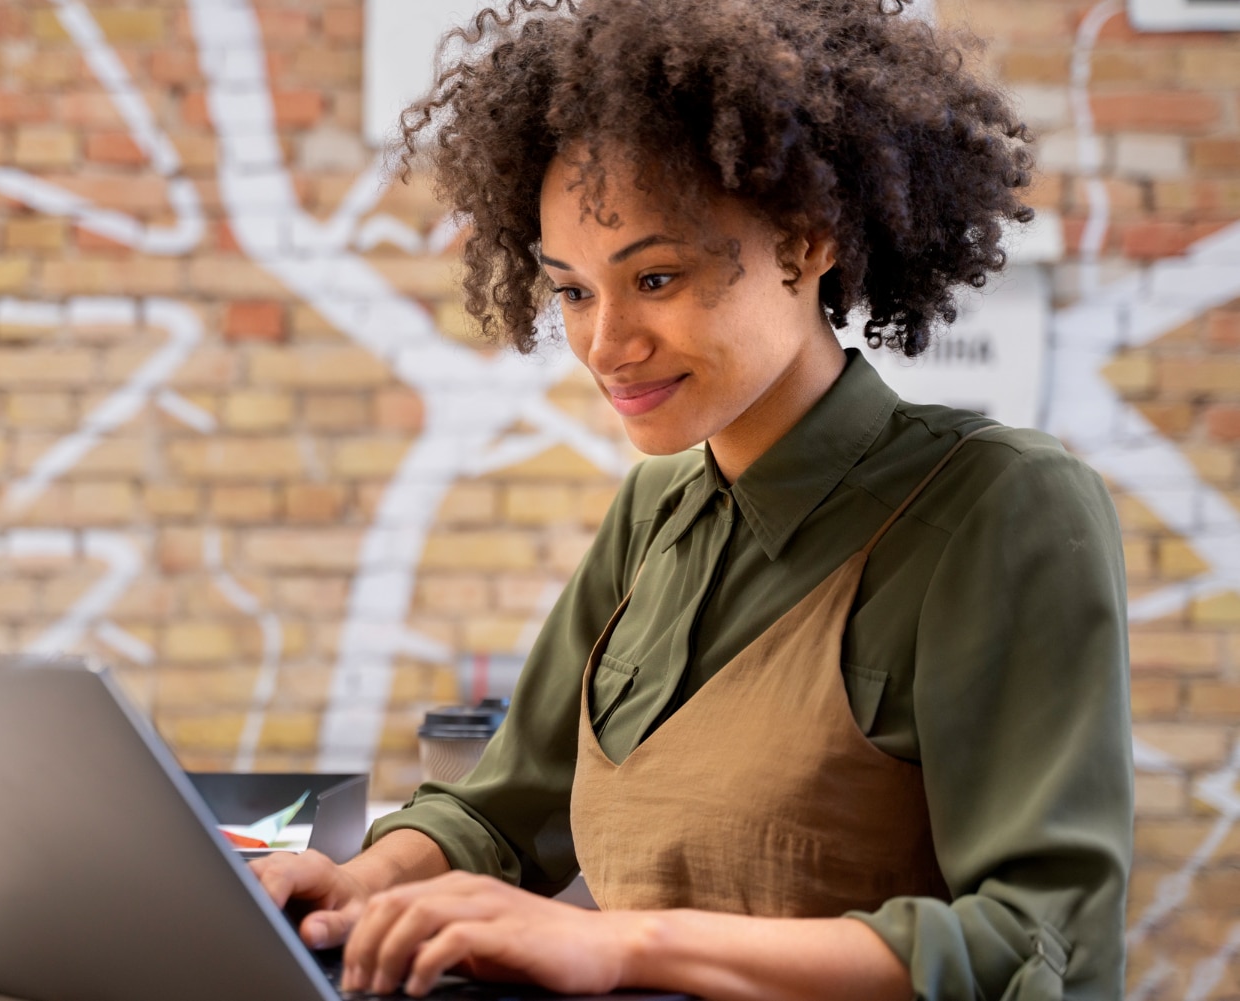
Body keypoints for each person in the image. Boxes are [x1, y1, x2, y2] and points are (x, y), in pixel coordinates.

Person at [252, 1, 1134, 998]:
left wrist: (627, 944)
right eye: (575, 291)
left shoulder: (999, 507)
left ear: (807, 245)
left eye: (656, 276)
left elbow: (1036, 942)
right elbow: (502, 810)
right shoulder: (654, 511)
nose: (602, 341)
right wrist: (353, 883)